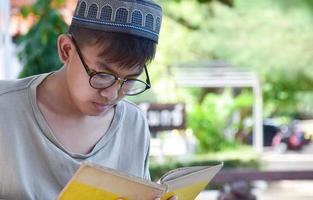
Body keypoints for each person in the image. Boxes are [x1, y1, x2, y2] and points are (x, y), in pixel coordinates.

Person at [0, 0, 177, 199]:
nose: (112, 95)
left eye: (129, 80)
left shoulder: (133, 123)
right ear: (66, 50)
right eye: (102, 75)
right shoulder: (5, 108)